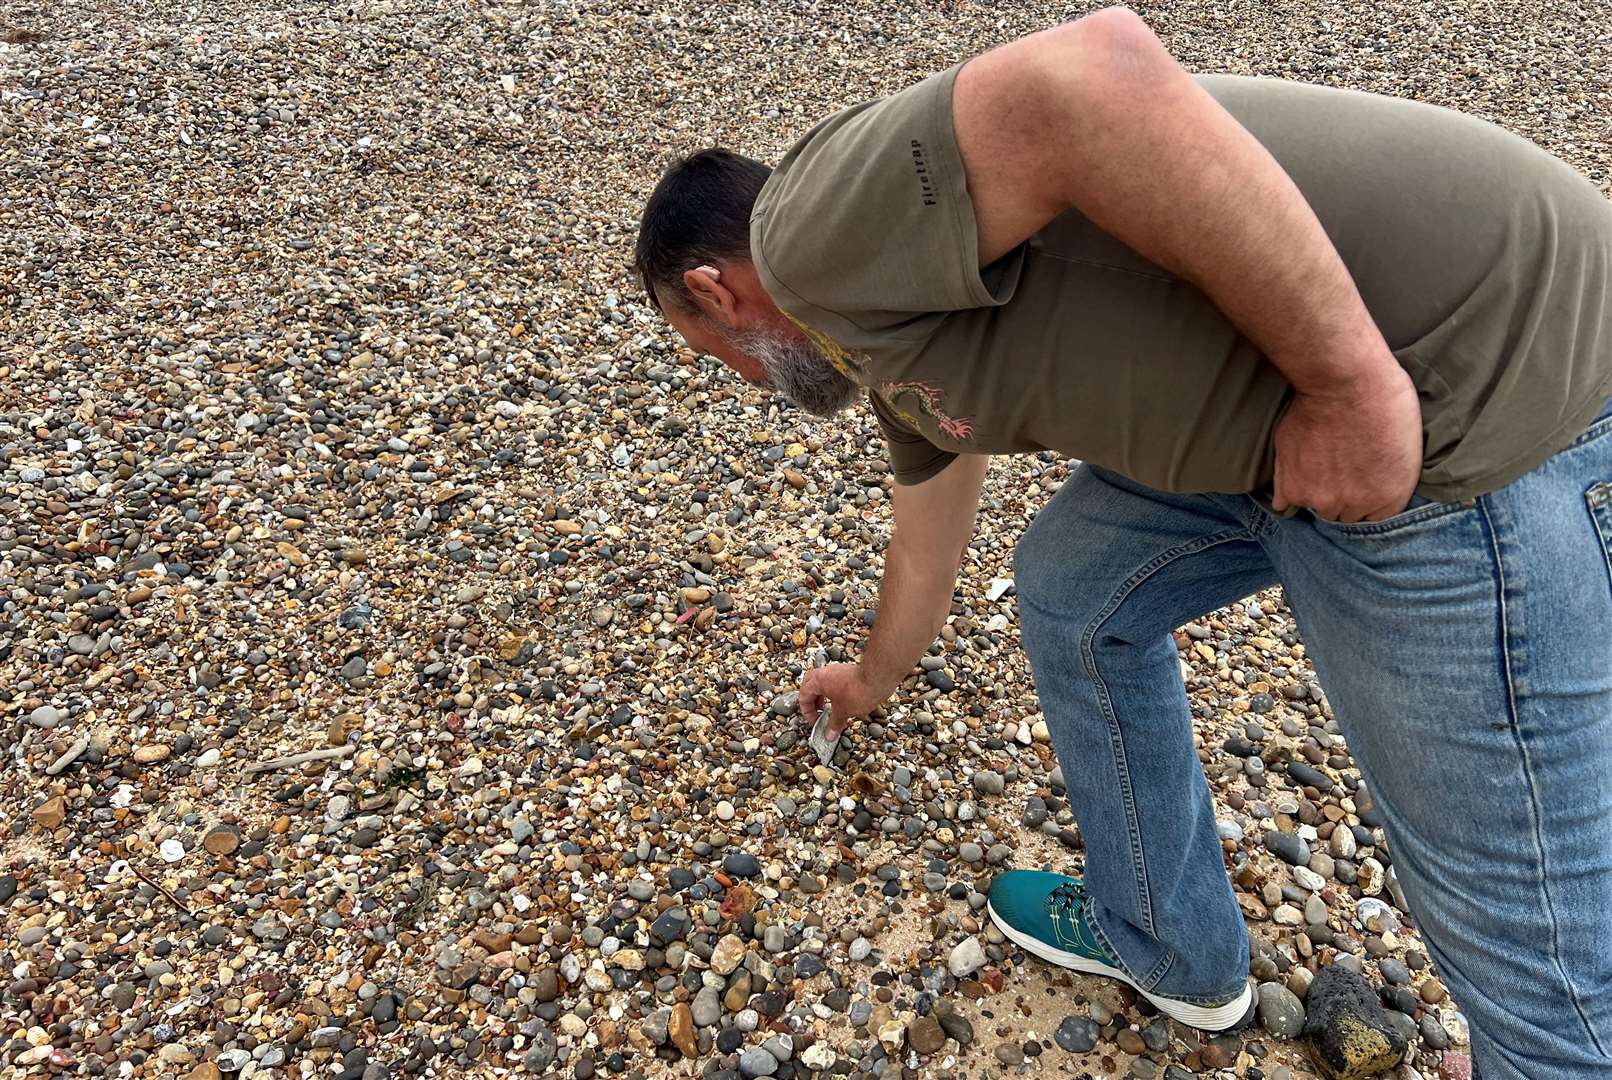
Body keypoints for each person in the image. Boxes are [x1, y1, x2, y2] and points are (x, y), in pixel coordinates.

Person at [633, 7, 1612, 1075]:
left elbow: (1089, 78)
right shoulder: (882, 336)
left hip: (1449, 400)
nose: (734, 381)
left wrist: (1348, 387)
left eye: (702, 352)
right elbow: (927, 544)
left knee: (1527, 943)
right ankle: (1169, 941)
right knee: (1072, 589)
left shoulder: (808, 231)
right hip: (1271, 441)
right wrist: (870, 677)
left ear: (710, 291)